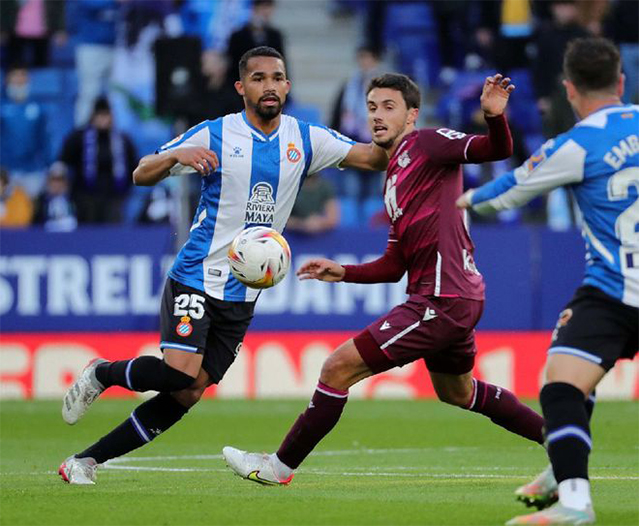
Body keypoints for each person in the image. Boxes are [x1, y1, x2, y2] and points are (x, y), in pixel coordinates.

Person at [58, 45, 388, 485]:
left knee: (189, 391)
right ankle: (101, 372)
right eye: (258, 78)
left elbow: (372, 158)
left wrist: (399, 131)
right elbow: (141, 172)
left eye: (277, 78)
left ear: (287, 85)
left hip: (244, 291)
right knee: (179, 372)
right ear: (241, 87)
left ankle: (84, 462)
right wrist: (176, 157)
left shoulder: (305, 139)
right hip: (196, 274)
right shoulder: (214, 134)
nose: (269, 86)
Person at [221, 72, 547, 489]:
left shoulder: (428, 142)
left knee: (338, 367)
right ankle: (563, 443)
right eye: (372, 107)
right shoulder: (393, 175)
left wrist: (493, 117)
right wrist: (344, 273)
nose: (377, 116)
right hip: (452, 296)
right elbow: (395, 264)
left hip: (441, 297)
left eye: (388, 107)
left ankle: (278, 467)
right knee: (458, 393)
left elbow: (496, 148)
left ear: (412, 114)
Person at [456, 37, 638, 525]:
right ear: (621, 82)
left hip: (616, 291)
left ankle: (576, 503)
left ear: (569, 89)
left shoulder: (577, 143)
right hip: (616, 292)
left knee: (560, 387)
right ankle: (563, 470)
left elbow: (505, 195)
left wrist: (457, 202)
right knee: (576, 378)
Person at [59, 97, 138, 224]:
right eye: (99, 115)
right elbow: (64, 161)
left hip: (114, 196)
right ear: (93, 116)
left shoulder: (123, 140)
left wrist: (125, 190)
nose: (102, 119)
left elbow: (134, 166)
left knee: (112, 232)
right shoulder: (78, 138)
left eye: (105, 115)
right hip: (85, 197)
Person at [0, 64, 50, 196]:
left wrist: (47, 164)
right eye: (15, 76)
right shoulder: (1, 107)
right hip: (5, 170)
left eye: (22, 75)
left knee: (31, 210)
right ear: (7, 80)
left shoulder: (38, 108)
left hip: (32, 170)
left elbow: (44, 139)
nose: (19, 79)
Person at [226, 0, 285, 84]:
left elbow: (281, 63)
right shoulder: (238, 36)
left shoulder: (275, 35)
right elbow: (233, 67)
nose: (265, 12)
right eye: (262, 8)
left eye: (268, 7)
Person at [33, 162, 77, 232]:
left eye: (60, 179)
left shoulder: (76, 200)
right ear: (48, 181)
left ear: (66, 182)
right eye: (54, 179)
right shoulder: (39, 202)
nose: (57, 184)